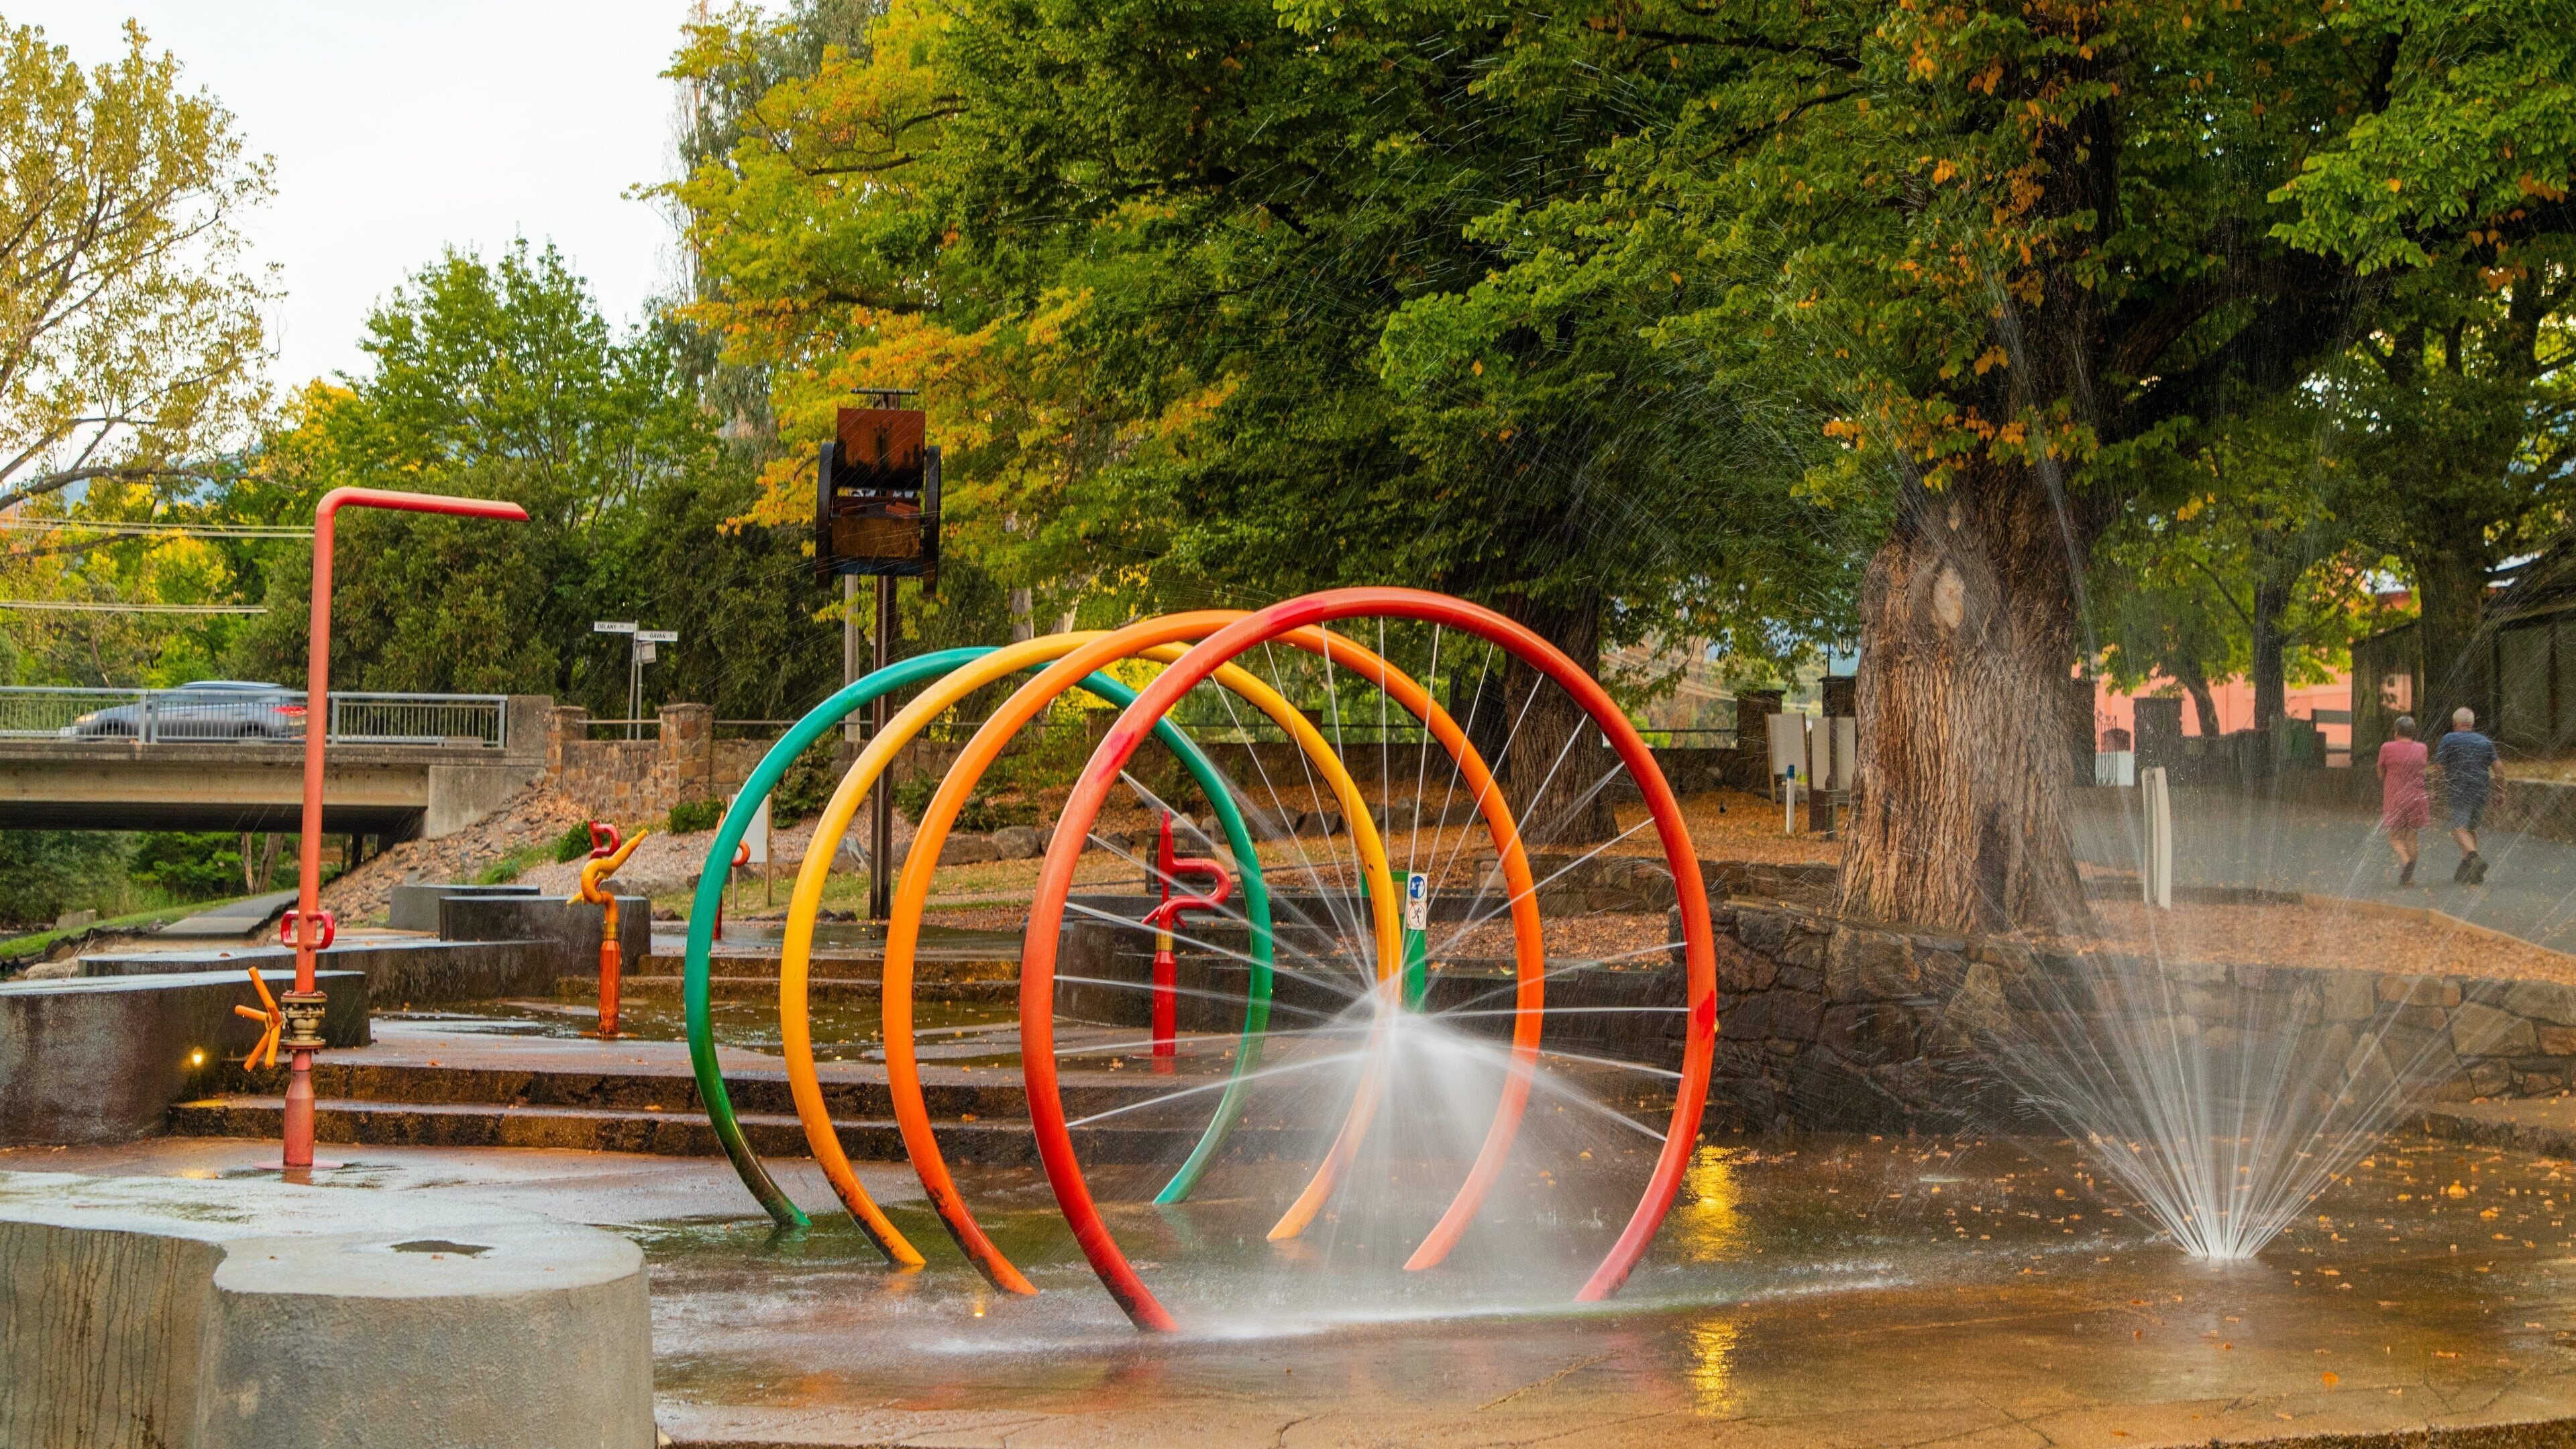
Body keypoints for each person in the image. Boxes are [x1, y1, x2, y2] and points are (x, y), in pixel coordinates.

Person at [2436, 706, 2501, 883]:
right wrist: (2501, 791)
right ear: (2472, 724)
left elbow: (2439, 768)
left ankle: (2474, 857)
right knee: (2471, 829)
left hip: (2460, 790)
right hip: (2481, 790)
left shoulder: (2448, 739)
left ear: (2455, 724)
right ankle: (2468, 868)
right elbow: (2499, 768)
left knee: (2459, 828)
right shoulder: (2484, 741)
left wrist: (2436, 789)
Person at [2377, 714, 2430, 885]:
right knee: (2412, 836)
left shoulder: (2387, 747)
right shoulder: (2422, 748)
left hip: (2396, 797)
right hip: (2417, 797)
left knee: (2395, 837)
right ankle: (2410, 877)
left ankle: (2405, 860)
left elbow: (2380, 773)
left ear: (2397, 732)